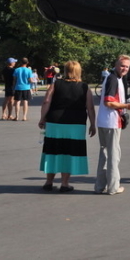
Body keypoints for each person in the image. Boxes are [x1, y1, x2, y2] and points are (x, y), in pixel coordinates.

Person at [38, 61, 96, 193]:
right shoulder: (84, 87)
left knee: (52, 150)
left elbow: (46, 101)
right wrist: (93, 124)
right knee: (69, 152)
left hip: (55, 122)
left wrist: (42, 118)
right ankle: (64, 183)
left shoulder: (55, 84)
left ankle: (49, 181)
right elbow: (90, 107)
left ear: (65, 70)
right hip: (76, 124)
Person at [94, 55, 130, 195]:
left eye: (127, 66)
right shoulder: (113, 79)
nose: (124, 68)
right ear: (116, 65)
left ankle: (100, 186)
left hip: (104, 121)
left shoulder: (114, 78)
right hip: (112, 121)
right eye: (122, 65)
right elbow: (109, 102)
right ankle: (113, 187)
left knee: (105, 154)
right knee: (113, 155)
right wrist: (127, 105)